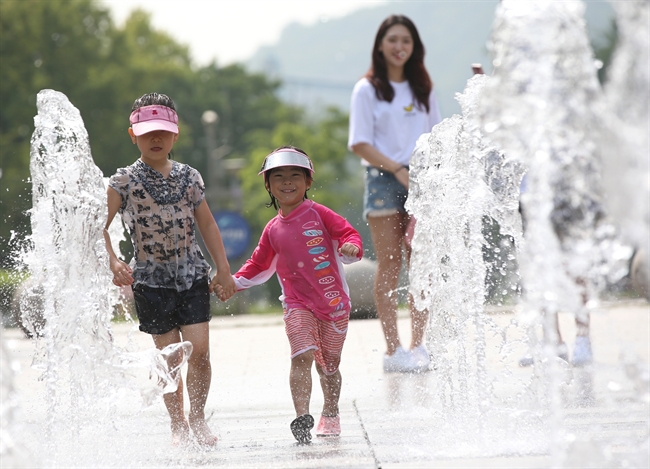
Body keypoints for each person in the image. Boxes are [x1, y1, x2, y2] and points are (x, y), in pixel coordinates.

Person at [103, 92, 236, 447]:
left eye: (163, 131)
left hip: (192, 274)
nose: (156, 139)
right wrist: (113, 260)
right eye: (147, 133)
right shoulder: (123, 182)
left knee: (200, 349)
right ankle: (177, 424)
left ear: (176, 134)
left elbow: (208, 226)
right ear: (133, 135)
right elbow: (98, 224)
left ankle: (197, 417)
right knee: (171, 356)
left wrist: (223, 270)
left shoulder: (189, 177)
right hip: (151, 280)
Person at [212, 147, 362, 444]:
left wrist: (351, 247)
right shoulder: (272, 230)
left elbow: (349, 233)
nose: (287, 182)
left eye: (295, 176)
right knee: (302, 355)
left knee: (328, 365)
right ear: (268, 185)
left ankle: (330, 413)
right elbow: (257, 264)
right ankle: (302, 417)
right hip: (297, 304)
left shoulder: (320, 214)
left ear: (308, 182)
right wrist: (231, 282)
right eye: (278, 177)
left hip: (333, 304)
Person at [348, 15, 442, 373]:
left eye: (406, 40)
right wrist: (398, 170)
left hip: (422, 179)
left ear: (414, 46)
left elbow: (436, 137)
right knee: (389, 264)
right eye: (393, 40)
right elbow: (359, 142)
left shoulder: (423, 89)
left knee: (421, 262)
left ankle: (419, 345)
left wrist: (426, 179)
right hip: (384, 179)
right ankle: (393, 350)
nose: (399, 47)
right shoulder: (367, 89)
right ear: (380, 46)